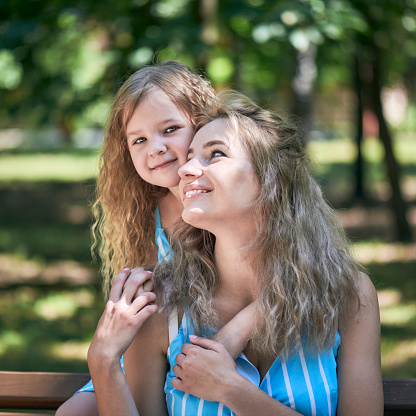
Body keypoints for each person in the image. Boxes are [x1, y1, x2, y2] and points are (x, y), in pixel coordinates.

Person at [87, 91, 384, 415]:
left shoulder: (347, 295)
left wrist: (231, 389)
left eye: (214, 154)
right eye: (189, 155)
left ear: (270, 178)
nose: (186, 169)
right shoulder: (160, 304)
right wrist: (103, 362)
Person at [56, 63, 256, 416]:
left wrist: (232, 335)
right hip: (156, 344)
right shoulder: (149, 214)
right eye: (139, 139)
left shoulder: (224, 200)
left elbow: (274, 276)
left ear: (200, 124)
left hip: (206, 339)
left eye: (170, 129)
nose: (156, 148)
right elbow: (145, 299)